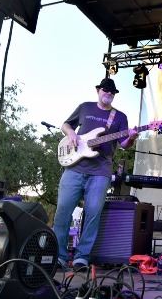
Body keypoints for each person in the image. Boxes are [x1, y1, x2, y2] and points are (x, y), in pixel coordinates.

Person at [52, 78, 137, 270]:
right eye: (106, 90)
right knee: (62, 211)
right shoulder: (85, 107)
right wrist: (71, 134)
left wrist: (131, 138)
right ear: (98, 90)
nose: (109, 93)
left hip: (100, 171)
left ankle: (82, 257)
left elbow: (123, 145)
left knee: (93, 214)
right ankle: (59, 256)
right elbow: (66, 124)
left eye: (112, 92)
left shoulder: (119, 117)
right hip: (74, 168)